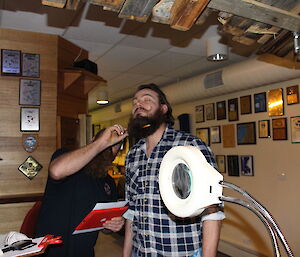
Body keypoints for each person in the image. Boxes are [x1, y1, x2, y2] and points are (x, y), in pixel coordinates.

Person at [123, 84, 225, 257]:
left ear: (163, 109)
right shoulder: (132, 155)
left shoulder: (190, 146)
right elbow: (132, 212)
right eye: (135, 102)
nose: (138, 105)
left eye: (147, 100)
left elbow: (212, 210)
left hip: (181, 252)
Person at [35, 125, 128, 257]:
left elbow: (104, 226)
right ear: (92, 141)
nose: (108, 146)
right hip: (49, 252)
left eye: (115, 145)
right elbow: (56, 171)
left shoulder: (109, 183)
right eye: (107, 140)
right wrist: (101, 144)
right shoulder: (65, 157)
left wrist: (112, 225)